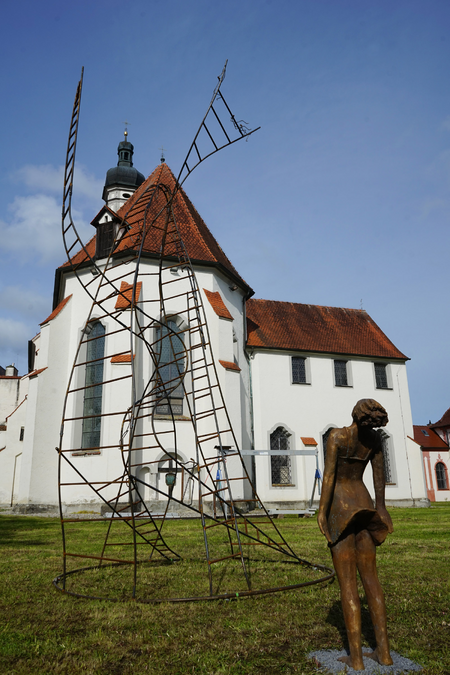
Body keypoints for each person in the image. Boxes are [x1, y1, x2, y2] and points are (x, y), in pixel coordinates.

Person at [317, 399, 394, 671]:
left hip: (340, 505)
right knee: (372, 581)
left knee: (348, 584)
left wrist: (321, 511)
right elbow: (379, 477)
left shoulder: (337, 436)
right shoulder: (374, 441)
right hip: (364, 503)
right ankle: (384, 654)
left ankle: (357, 659)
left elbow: (329, 476)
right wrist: (381, 509)